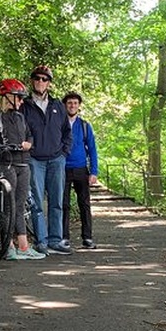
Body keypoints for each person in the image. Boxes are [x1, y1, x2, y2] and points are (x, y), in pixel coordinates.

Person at [0, 79, 45, 260]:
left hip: (24, 165)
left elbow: (30, 135)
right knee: (8, 206)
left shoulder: (20, 117)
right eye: (19, 98)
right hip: (6, 164)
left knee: (19, 205)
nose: (21, 101)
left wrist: (28, 143)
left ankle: (24, 246)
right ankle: (8, 247)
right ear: (8, 97)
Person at [20, 65, 73, 255]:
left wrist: (64, 153)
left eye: (44, 79)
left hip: (56, 159)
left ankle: (55, 240)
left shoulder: (58, 105)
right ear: (32, 80)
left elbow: (68, 132)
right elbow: (20, 131)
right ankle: (41, 241)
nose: (40, 82)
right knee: (36, 202)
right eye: (37, 78)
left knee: (57, 201)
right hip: (35, 160)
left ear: (49, 83)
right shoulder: (24, 106)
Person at [62, 91, 99, 249]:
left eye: (75, 103)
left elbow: (92, 149)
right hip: (62, 168)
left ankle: (87, 237)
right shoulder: (58, 124)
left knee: (84, 203)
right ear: (65, 105)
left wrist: (94, 171)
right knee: (63, 204)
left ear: (79, 106)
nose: (72, 106)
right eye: (70, 103)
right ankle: (64, 237)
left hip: (81, 168)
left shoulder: (85, 126)